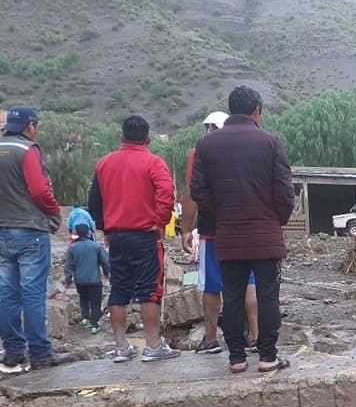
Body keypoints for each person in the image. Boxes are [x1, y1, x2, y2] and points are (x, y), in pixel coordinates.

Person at [190, 86, 294, 373]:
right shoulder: (271, 142)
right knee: (267, 295)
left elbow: (198, 190)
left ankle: (236, 358)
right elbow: (285, 192)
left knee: (232, 296)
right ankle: (267, 356)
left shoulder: (207, 145)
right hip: (265, 236)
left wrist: (220, 215)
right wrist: (276, 220)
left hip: (228, 235)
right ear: (256, 111)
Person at [88, 115, 180, 363]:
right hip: (145, 235)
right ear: (148, 138)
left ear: (122, 137)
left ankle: (121, 347)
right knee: (150, 289)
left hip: (116, 236)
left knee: (118, 288)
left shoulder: (104, 164)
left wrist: (104, 228)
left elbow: (94, 200)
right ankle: (152, 345)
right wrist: (160, 221)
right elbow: (166, 191)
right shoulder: (154, 163)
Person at [0, 105, 74, 373]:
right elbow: (40, 190)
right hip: (29, 231)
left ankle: (13, 352)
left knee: (6, 292)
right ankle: (41, 354)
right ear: (30, 126)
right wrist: (54, 212)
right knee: (32, 292)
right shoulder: (27, 150)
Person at [180, 111, 258, 354]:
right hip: (248, 226)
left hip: (213, 229)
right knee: (249, 281)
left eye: (209, 127)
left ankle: (211, 338)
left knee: (212, 285)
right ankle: (255, 335)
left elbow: (192, 192)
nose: (206, 132)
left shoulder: (201, 151)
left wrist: (185, 229)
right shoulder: (252, 148)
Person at [63, 224, 110, 334]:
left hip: (80, 280)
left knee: (83, 298)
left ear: (77, 234)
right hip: (94, 280)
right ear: (88, 233)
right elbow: (105, 262)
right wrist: (107, 273)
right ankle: (95, 324)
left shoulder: (72, 247)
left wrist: (68, 279)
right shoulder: (96, 246)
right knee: (95, 302)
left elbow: (69, 265)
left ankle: (85, 318)